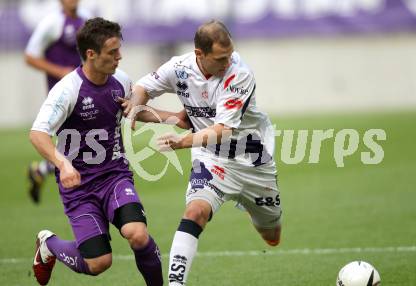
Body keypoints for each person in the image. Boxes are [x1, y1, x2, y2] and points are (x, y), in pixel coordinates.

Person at [127, 20, 282, 286]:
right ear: (200, 54)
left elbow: (222, 130)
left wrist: (182, 141)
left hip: (253, 160)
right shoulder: (179, 68)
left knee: (272, 236)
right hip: (211, 159)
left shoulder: (239, 73)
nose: (227, 62)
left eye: (230, 54)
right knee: (194, 213)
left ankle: (247, 202)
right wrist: (134, 107)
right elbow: (142, 88)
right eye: (221, 57)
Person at [30, 17, 164, 286]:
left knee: (137, 234)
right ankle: (49, 244)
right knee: (98, 263)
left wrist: (175, 117)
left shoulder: (120, 81)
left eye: (119, 50)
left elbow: (133, 110)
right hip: (79, 188)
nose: (120, 57)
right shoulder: (67, 90)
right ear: (91, 54)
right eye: (113, 52)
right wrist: (63, 164)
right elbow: (37, 134)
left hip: (115, 176)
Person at [25, 0, 90, 204]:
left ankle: (41, 170)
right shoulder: (52, 23)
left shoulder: (85, 19)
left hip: (85, 90)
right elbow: (30, 57)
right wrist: (60, 71)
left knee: (84, 143)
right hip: (62, 95)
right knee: (81, 144)